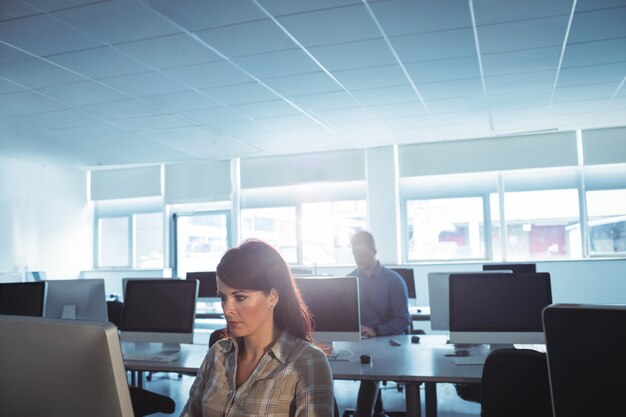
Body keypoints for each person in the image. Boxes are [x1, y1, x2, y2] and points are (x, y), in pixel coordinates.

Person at [180, 239, 335, 417]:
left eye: (240, 298)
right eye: (223, 298)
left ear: (272, 297)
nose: (227, 309)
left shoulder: (308, 362)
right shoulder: (217, 354)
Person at [349, 231, 411, 417]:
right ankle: (377, 412)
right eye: (354, 254)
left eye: (361, 254)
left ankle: (364, 413)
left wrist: (376, 330)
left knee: (370, 371)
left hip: (388, 341)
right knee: (327, 368)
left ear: (374, 251)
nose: (357, 258)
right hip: (358, 341)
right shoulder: (350, 280)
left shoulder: (393, 281)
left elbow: (402, 319)